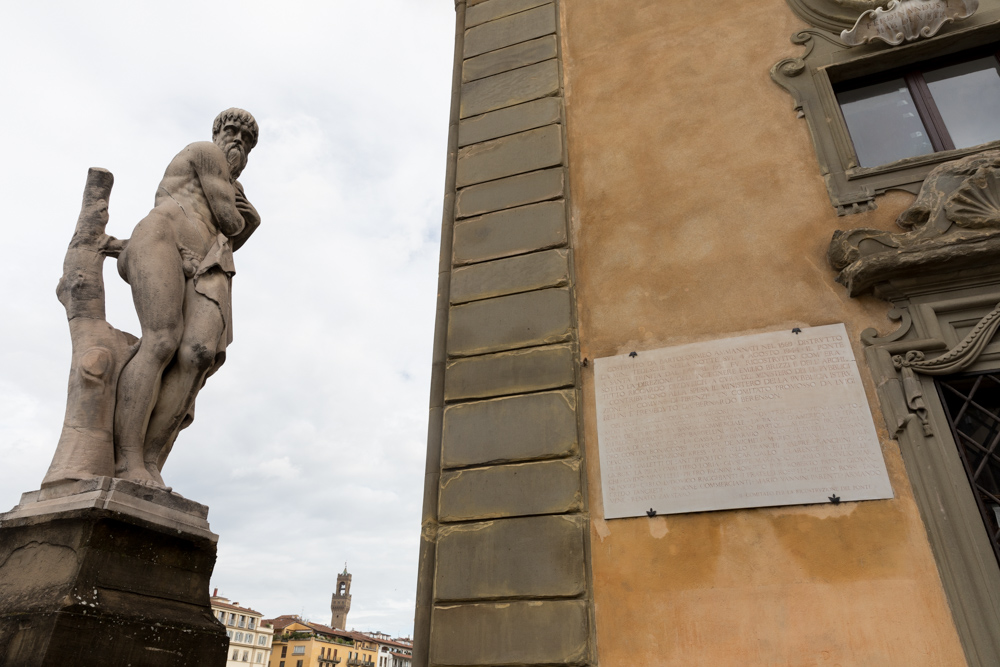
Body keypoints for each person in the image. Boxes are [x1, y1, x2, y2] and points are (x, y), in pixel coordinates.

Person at [114, 108, 261, 488]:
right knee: (161, 340)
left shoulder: (233, 188)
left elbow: (230, 236)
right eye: (232, 133)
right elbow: (230, 221)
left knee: (198, 355)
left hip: (204, 262)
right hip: (163, 236)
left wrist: (248, 220)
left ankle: (150, 462)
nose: (238, 144)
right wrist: (247, 217)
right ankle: (126, 460)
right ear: (217, 133)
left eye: (247, 142)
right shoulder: (205, 153)